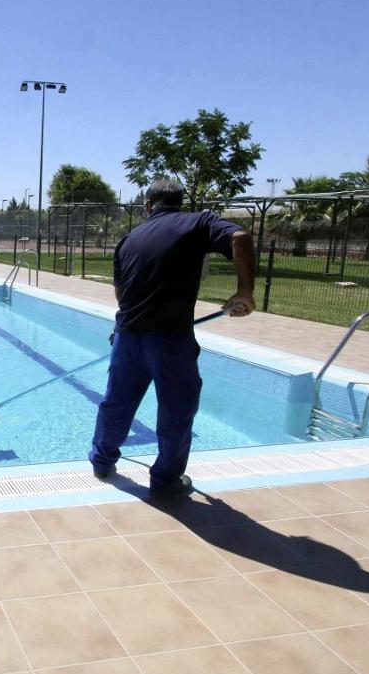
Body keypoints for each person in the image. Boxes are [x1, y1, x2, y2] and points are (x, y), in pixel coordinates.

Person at [90, 178, 255, 498]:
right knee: (177, 409)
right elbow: (240, 235)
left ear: (148, 206)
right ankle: (165, 481)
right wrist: (245, 290)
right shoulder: (199, 222)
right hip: (170, 338)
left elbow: (121, 295)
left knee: (117, 403)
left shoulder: (129, 239)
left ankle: (101, 461)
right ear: (179, 202)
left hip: (128, 334)